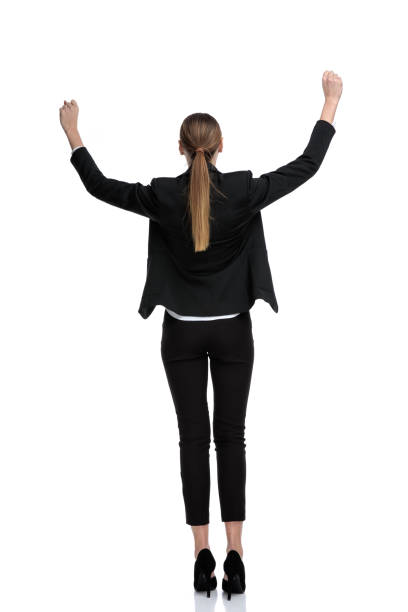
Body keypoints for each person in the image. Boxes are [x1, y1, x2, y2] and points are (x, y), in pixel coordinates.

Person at [59, 69, 343, 599]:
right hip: (234, 332)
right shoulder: (241, 190)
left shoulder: (163, 195)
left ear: (181, 148)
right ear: (219, 148)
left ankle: (201, 555)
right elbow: (307, 167)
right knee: (230, 436)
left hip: (181, 338)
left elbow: (99, 187)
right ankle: (237, 555)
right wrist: (329, 104)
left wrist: (74, 135)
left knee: (193, 436)